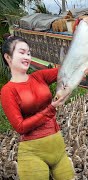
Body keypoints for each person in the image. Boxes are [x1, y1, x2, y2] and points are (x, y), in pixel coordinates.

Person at [0, 36, 74, 179]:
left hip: (58, 147)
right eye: (22, 52)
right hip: (32, 153)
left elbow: (66, 70)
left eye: (28, 53)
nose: (27, 57)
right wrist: (51, 108)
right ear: (8, 57)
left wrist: (79, 34)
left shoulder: (38, 77)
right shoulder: (8, 90)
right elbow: (20, 127)